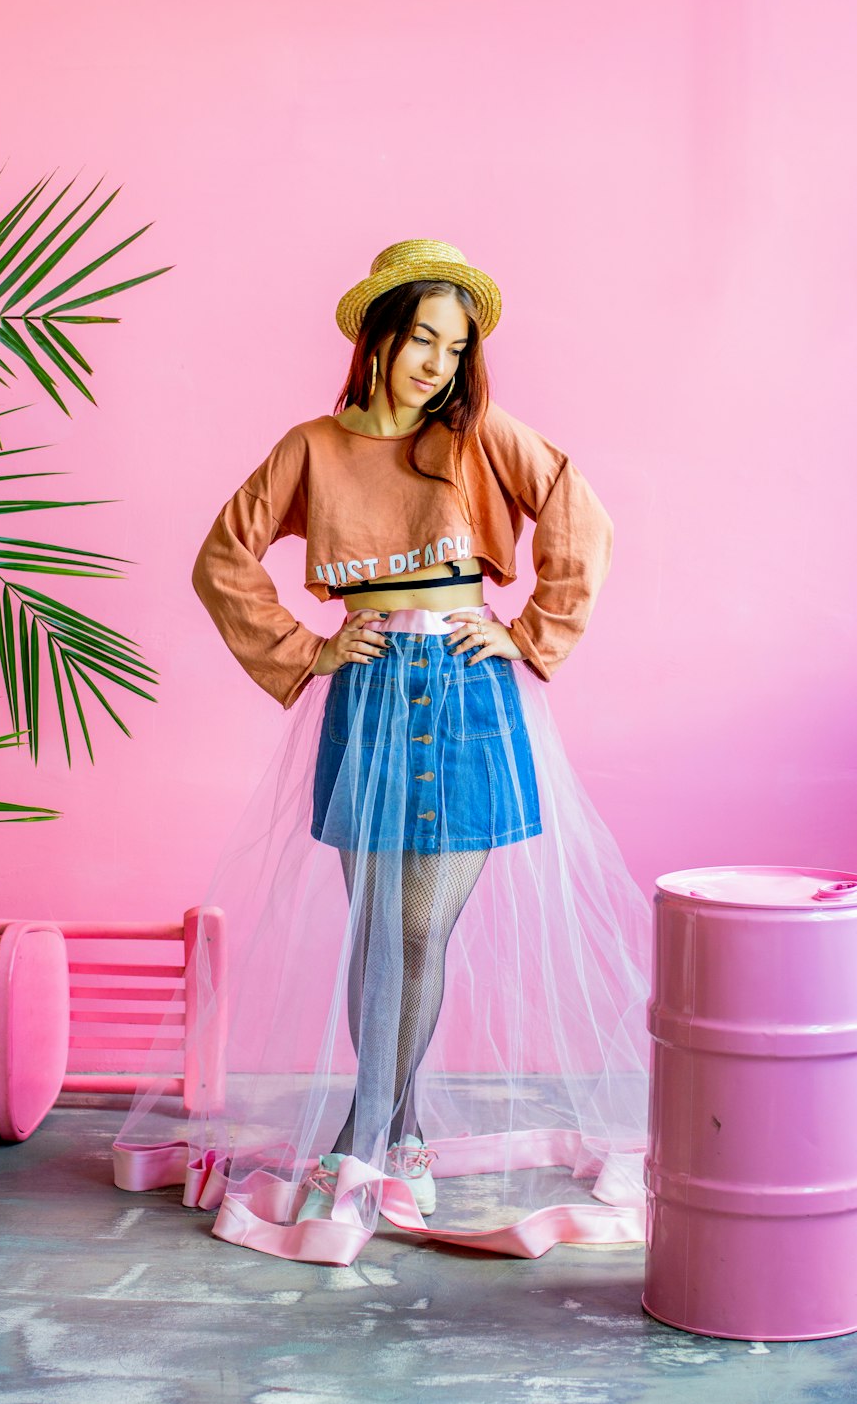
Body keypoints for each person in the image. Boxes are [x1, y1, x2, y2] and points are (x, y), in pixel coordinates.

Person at [113, 239, 652, 1266]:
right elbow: (222, 558)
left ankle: (373, 1133)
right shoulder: (312, 447)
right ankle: (392, 1134)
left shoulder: (482, 437)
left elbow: (583, 516)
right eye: (422, 341)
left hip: (466, 693)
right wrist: (307, 651)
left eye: (455, 349)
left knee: (419, 930)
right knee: (377, 929)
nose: (436, 366)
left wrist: (529, 633)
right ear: (380, 336)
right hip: (365, 695)